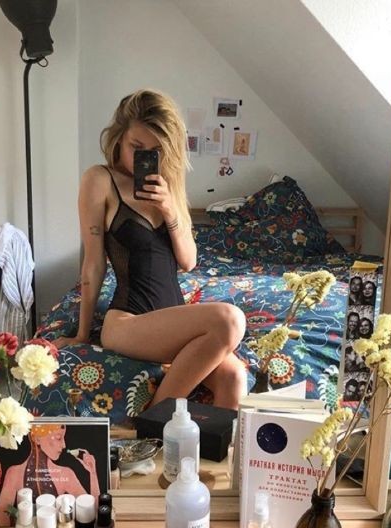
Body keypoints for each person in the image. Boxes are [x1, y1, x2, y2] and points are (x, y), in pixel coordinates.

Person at [54, 89, 247, 409]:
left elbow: (188, 261)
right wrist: (82, 334)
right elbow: (93, 262)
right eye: (137, 146)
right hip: (128, 322)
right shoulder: (100, 180)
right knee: (229, 320)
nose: (144, 157)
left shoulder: (169, 187)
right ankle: (155, 422)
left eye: (156, 150)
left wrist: (170, 209)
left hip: (172, 322)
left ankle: (208, 443)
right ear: (119, 138)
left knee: (234, 377)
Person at [0, 423, 99, 526]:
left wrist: (93, 474)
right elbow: (1, 521)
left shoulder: (66, 474)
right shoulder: (14, 474)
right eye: (58, 438)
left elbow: (93, 512)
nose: (64, 445)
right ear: (37, 438)